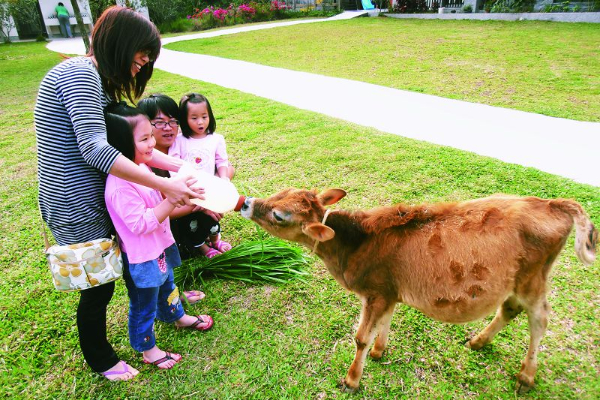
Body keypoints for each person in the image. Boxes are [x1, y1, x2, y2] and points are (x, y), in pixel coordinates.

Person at [34, 6, 201, 381]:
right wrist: (165, 186)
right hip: (75, 203)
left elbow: (131, 148)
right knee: (98, 286)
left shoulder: (95, 79)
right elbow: (95, 149)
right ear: (121, 44)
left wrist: (181, 169)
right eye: (141, 56)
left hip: (100, 195)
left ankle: (165, 308)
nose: (142, 65)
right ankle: (100, 358)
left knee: (134, 261)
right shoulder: (78, 75)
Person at [104, 103, 214, 370]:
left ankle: (177, 316)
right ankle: (148, 349)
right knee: (144, 304)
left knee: (168, 286)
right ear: (118, 145)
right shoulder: (119, 186)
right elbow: (141, 223)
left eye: (150, 135)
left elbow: (157, 198)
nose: (152, 143)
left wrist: (179, 187)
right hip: (143, 258)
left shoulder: (141, 167)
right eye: (144, 139)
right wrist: (172, 200)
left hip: (159, 248)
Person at [159, 92, 234, 258]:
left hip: (211, 188)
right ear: (184, 119)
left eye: (204, 116)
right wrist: (187, 189)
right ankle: (203, 248)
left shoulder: (216, 139)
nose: (200, 122)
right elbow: (174, 167)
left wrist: (224, 180)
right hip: (191, 191)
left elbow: (222, 162)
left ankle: (216, 239)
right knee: (193, 222)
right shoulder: (179, 141)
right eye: (194, 118)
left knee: (214, 216)